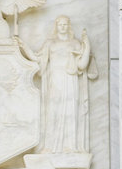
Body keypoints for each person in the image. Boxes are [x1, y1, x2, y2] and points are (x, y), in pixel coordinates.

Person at [31, 15, 92, 153]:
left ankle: (69, 146)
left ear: (69, 26)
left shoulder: (76, 43)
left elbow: (82, 65)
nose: (63, 27)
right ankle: (49, 146)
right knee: (53, 112)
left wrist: (87, 46)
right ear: (56, 26)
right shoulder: (50, 43)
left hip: (70, 80)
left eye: (65, 24)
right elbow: (38, 59)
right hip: (55, 80)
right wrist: (23, 48)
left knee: (70, 111)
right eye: (60, 25)